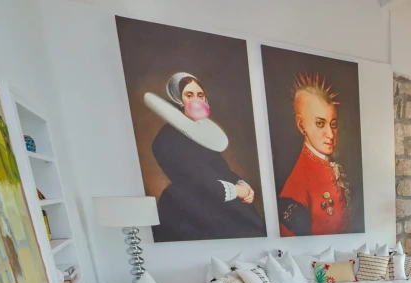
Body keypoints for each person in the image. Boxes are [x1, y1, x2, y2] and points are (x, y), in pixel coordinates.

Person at [144, 72, 264, 242]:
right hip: (190, 206)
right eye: (189, 95)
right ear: (178, 99)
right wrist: (236, 191)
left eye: (200, 95)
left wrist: (243, 185)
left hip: (218, 197)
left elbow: (221, 169)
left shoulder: (204, 134)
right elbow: (194, 178)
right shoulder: (167, 138)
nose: (196, 100)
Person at [277, 73, 352, 236]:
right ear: (301, 125)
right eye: (320, 123)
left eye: (333, 124)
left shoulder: (330, 166)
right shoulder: (297, 186)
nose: (330, 135)